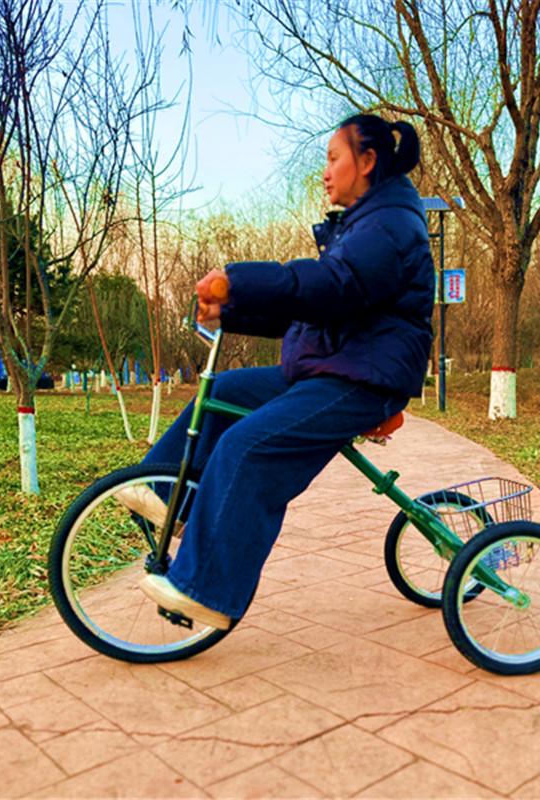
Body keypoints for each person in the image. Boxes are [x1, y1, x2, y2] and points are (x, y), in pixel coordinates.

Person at [128, 113, 435, 630]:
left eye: (333, 158)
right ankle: (165, 498)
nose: (325, 172)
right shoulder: (362, 226)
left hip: (364, 383)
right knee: (226, 393)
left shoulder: (390, 227)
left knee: (248, 448)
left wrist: (239, 281)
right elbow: (311, 310)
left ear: (367, 161)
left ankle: (207, 590)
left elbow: (330, 285)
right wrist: (231, 312)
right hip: (334, 369)